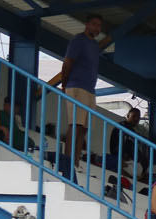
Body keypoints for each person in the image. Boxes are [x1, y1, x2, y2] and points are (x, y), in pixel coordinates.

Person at [55, 13, 103, 168]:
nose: (97, 28)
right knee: (75, 124)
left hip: (90, 89)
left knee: (84, 127)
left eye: (99, 26)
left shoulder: (95, 46)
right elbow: (67, 63)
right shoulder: (78, 40)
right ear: (87, 24)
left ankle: (75, 161)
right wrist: (65, 84)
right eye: (94, 24)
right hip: (76, 86)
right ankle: (68, 160)